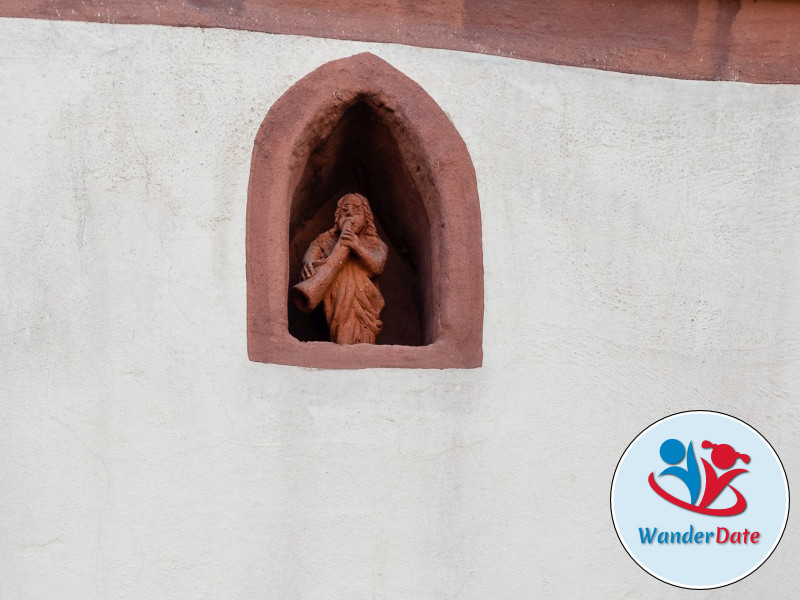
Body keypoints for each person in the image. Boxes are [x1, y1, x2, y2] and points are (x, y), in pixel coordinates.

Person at [296, 193, 388, 344]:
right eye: (345, 211)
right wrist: (309, 264)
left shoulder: (375, 244)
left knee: (363, 337)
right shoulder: (325, 240)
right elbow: (311, 254)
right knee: (341, 331)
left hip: (365, 307)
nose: (350, 214)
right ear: (338, 217)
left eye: (356, 211)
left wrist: (357, 247)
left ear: (367, 219)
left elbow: (377, 266)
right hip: (337, 302)